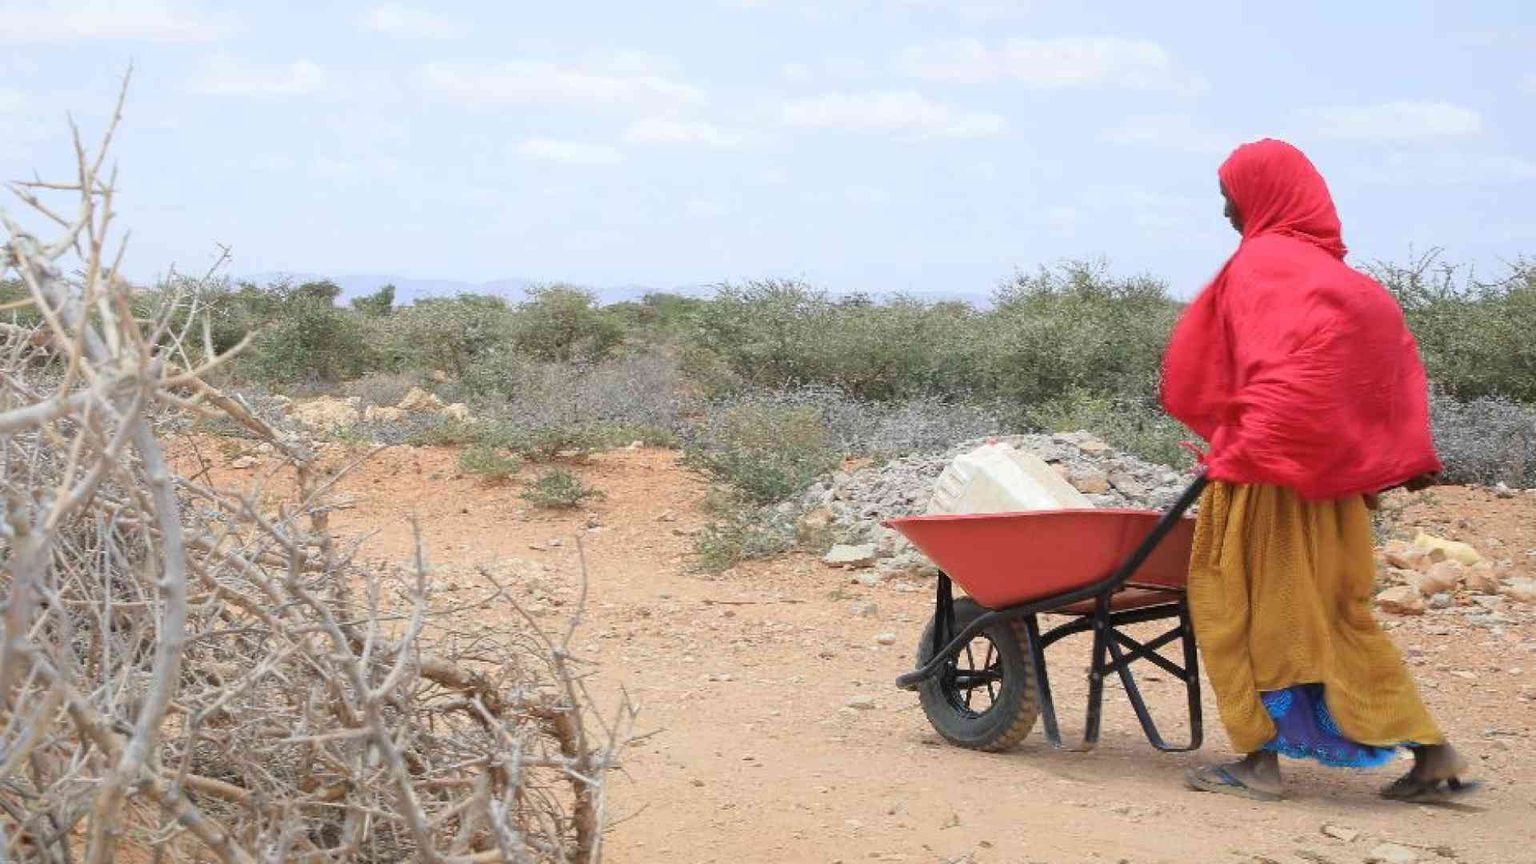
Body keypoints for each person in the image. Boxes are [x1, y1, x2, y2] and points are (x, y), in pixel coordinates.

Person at [1160, 138, 1471, 803]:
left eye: (1231, 198)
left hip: (1266, 484)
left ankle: (1258, 765)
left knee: (1238, 611)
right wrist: (1372, 460)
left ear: (1262, 197)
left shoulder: (1263, 269)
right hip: (1331, 490)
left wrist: (1246, 448)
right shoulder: (1344, 283)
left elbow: (1275, 377)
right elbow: (1380, 379)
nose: (1225, 214)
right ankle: (1432, 751)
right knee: (1337, 616)